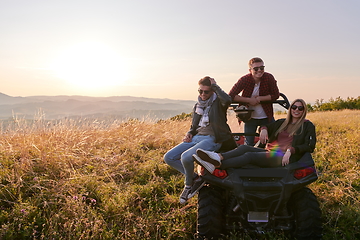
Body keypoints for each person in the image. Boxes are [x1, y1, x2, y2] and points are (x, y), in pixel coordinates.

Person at [164, 76, 235, 204]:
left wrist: (215, 86)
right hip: (197, 138)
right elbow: (194, 126)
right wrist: (189, 133)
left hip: (213, 138)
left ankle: (188, 185)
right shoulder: (198, 105)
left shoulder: (218, 103)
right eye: (200, 91)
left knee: (186, 157)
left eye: (206, 91)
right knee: (168, 157)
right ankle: (196, 178)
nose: (202, 94)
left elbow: (228, 100)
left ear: (212, 91)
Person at [193, 99, 316, 173]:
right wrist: (263, 129)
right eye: (294, 107)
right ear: (290, 109)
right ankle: (218, 157)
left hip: (283, 157)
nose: (296, 110)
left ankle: (219, 165)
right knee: (244, 148)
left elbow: (309, 146)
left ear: (303, 110)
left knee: (249, 156)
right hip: (270, 151)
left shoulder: (307, 125)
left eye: (300, 108)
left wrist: (291, 150)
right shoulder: (282, 123)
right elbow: (267, 125)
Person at [229, 57, 280, 146]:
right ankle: (249, 157)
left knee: (273, 140)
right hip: (249, 117)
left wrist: (260, 99)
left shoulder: (269, 77)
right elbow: (231, 95)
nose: (259, 70)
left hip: (266, 116)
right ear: (250, 70)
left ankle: (268, 158)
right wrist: (249, 100)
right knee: (249, 142)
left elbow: (276, 95)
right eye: (256, 69)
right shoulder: (244, 80)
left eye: (262, 68)